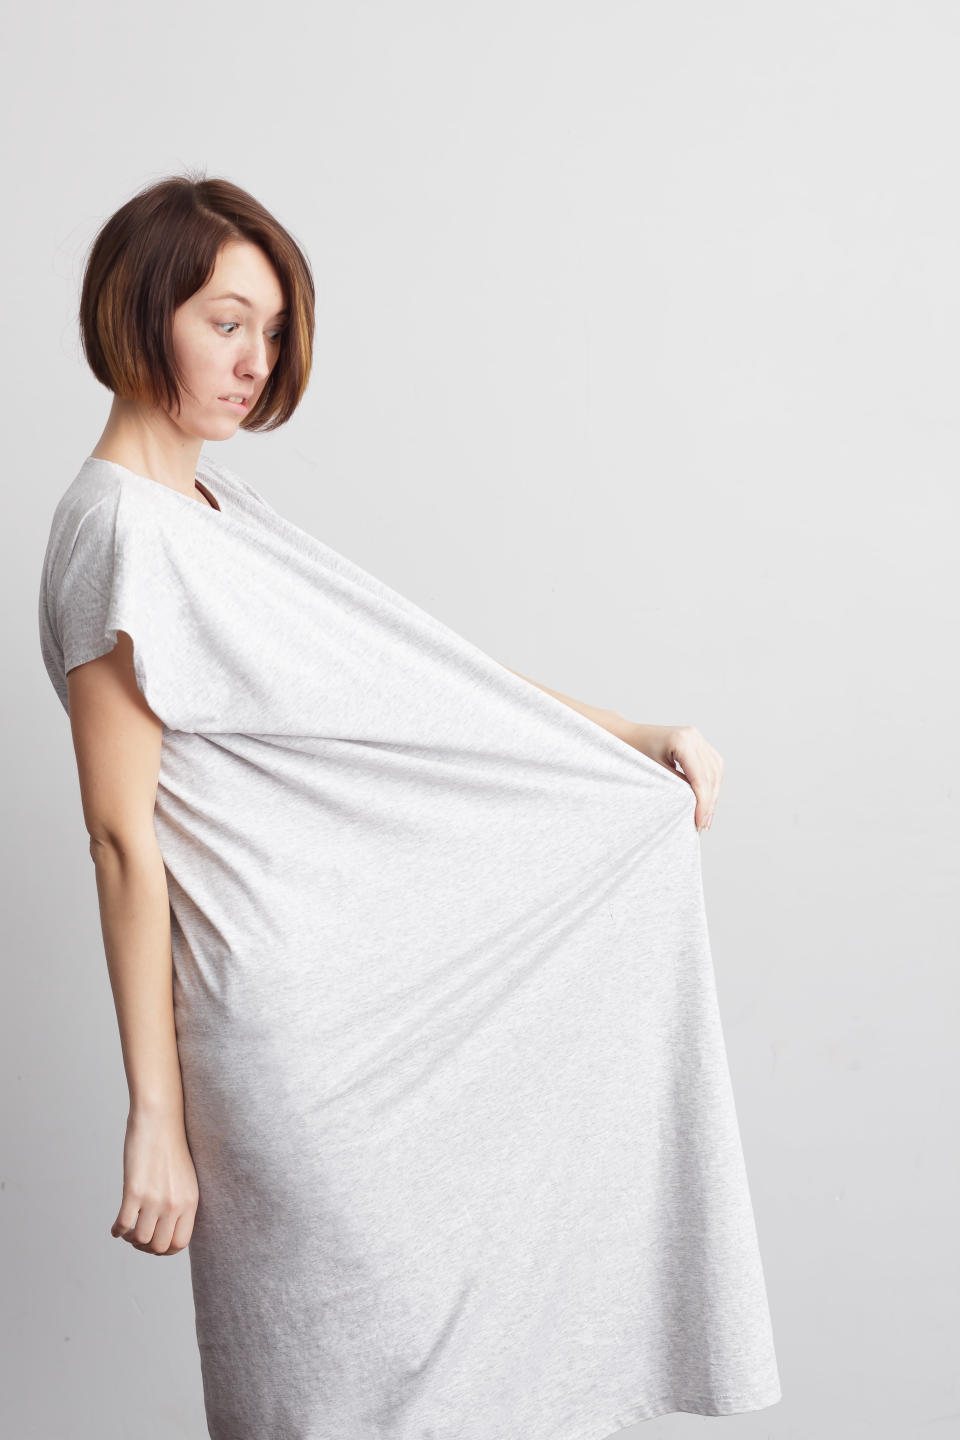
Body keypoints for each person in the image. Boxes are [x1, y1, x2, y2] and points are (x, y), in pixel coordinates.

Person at [38, 173, 777, 1439]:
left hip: (383, 1005)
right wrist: (155, 1118)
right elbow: (120, 842)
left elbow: (417, 687)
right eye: (225, 321)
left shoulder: (224, 513)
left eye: (270, 331)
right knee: (334, 1385)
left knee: (462, 1372)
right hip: (288, 1042)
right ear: (139, 308)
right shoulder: (115, 534)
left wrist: (625, 735)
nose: (256, 361)